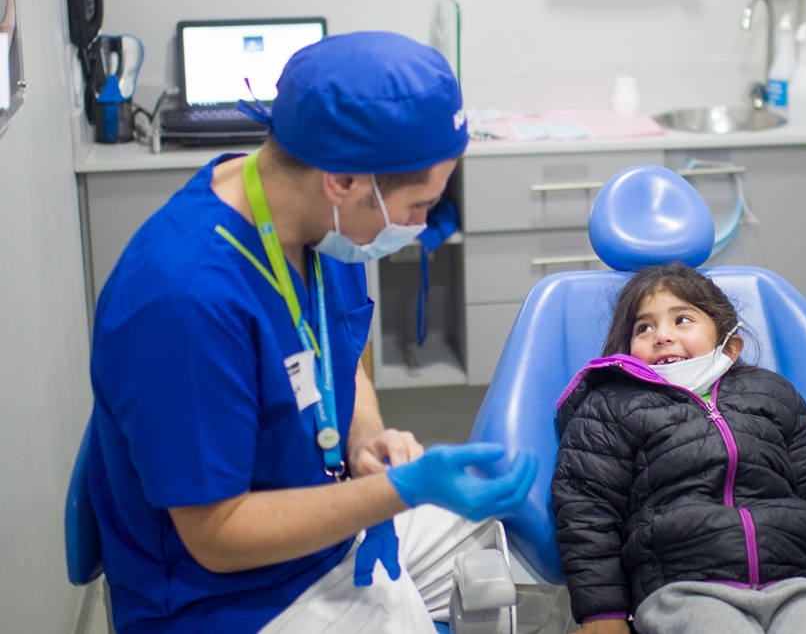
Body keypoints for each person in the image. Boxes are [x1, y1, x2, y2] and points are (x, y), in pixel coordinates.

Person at [86, 31, 535, 633]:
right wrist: (398, 492)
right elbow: (216, 536)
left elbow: (341, 358)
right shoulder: (184, 300)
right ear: (343, 182)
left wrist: (364, 442)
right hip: (230, 597)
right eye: (417, 204)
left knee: (498, 546)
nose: (423, 224)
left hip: (327, 527)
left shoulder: (317, 230)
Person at [551, 263, 806, 634]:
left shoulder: (772, 394)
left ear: (731, 343)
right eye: (643, 327)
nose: (661, 335)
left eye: (682, 320)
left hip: (799, 584)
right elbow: (587, 508)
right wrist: (603, 612)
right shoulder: (611, 407)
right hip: (684, 589)